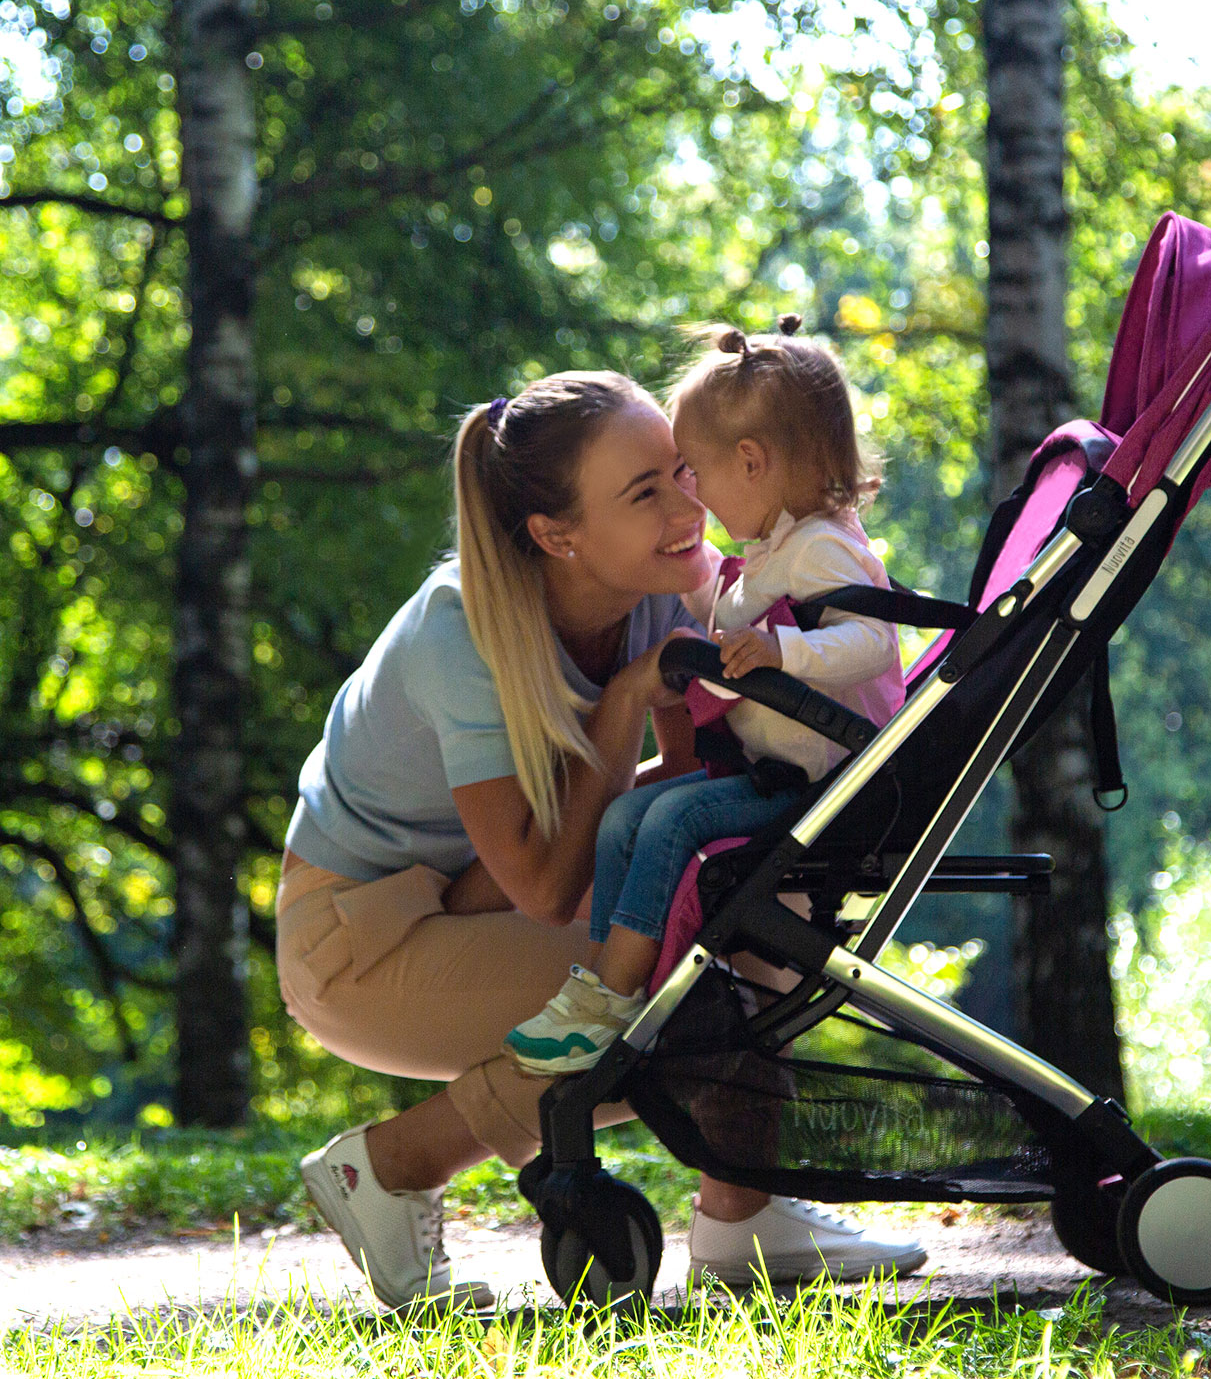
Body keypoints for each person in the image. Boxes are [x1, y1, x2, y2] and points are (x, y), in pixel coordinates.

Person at [277, 369, 924, 1310]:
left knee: (732, 929)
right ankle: (388, 1167)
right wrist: (626, 698)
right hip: (357, 936)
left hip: (475, 895)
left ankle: (743, 1219)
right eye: (645, 492)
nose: (685, 504)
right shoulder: (457, 632)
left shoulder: (667, 586)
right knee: (679, 993)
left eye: (680, 472)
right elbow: (545, 886)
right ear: (556, 535)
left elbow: (688, 787)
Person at [504, 316, 906, 1087]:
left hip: (824, 784)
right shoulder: (777, 545)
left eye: (692, 471)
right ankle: (597, 987)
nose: (691, 494)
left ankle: (616, 995)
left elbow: (875, 644)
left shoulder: (824, 546)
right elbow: (724, 604)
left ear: (750, 463)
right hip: (772, 772)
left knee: (673, 818)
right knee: (626, 814)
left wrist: (785, 653)